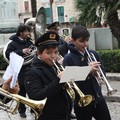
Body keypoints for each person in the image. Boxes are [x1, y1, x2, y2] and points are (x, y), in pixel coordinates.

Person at [63, 26, 111, 120]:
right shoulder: (68, 58)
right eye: (81, 41)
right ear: (73, 40)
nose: (85, 44)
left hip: (98, 98)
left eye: (87, 40)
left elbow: (103, 73)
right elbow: (69, 81)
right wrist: (88, 71)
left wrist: (97, 74)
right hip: (82, 102)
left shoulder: (93, 54)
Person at [24, 31, 72, 120]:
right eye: (48, 53)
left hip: (64, 115)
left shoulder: (56, 66)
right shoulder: (32, 72)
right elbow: (36, 97)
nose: (53, 56)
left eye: (56, 52)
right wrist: (59, 81)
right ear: (39, 53)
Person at [5, 24, 33, 118]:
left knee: (32, 90)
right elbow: (8, 54)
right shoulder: (12, 43)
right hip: (20, 70)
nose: (28, 33)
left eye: (29, 31)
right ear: (21, 33)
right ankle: (22, 110)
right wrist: (21, 51)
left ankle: (33, 108)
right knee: (22, 91)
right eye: (26, 31)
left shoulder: (30, 42)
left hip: (30, 68)